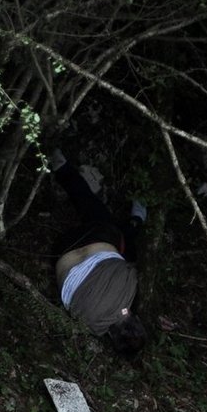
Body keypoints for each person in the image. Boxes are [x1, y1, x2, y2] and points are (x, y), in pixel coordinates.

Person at [50, 149, 147, 355]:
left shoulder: (132, 290)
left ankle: (136, 221)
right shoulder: (92, 327)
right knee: (123, 242)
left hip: (98, 236)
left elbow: (130, 266)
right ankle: (134, 222)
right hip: (61, 250)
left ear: (136, 319)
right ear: (112, 338)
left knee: (121, 238)